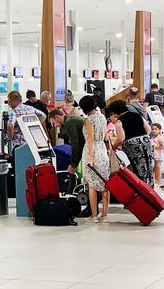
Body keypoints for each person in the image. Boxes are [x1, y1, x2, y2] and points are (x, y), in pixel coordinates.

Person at [108, 100, 154, 187]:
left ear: (114, 113)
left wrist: (113, 147)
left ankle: (142, 190)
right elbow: (148, 129)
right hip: (146, 141)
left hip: (133, 146)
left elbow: (121, 139)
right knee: (148, 167)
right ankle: (150, 188)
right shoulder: (137, 115)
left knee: (138, 169)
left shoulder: (119, 122)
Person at [80, 95, 110, 224]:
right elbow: (106, 137)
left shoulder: (89, 120)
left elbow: (90, 140)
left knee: (92, 185)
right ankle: (104, 215)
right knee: (105, 185)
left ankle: (93, 215)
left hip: (92, 152)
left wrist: (90, 160)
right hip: (103, 151)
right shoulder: (102, 117)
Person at [48, 109, 85, 175]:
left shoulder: (68, 123)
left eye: (53, 123)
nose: (55, 126)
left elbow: (75, 146)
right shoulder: (70, 119)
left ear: (57, 117)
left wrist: (73, 165)